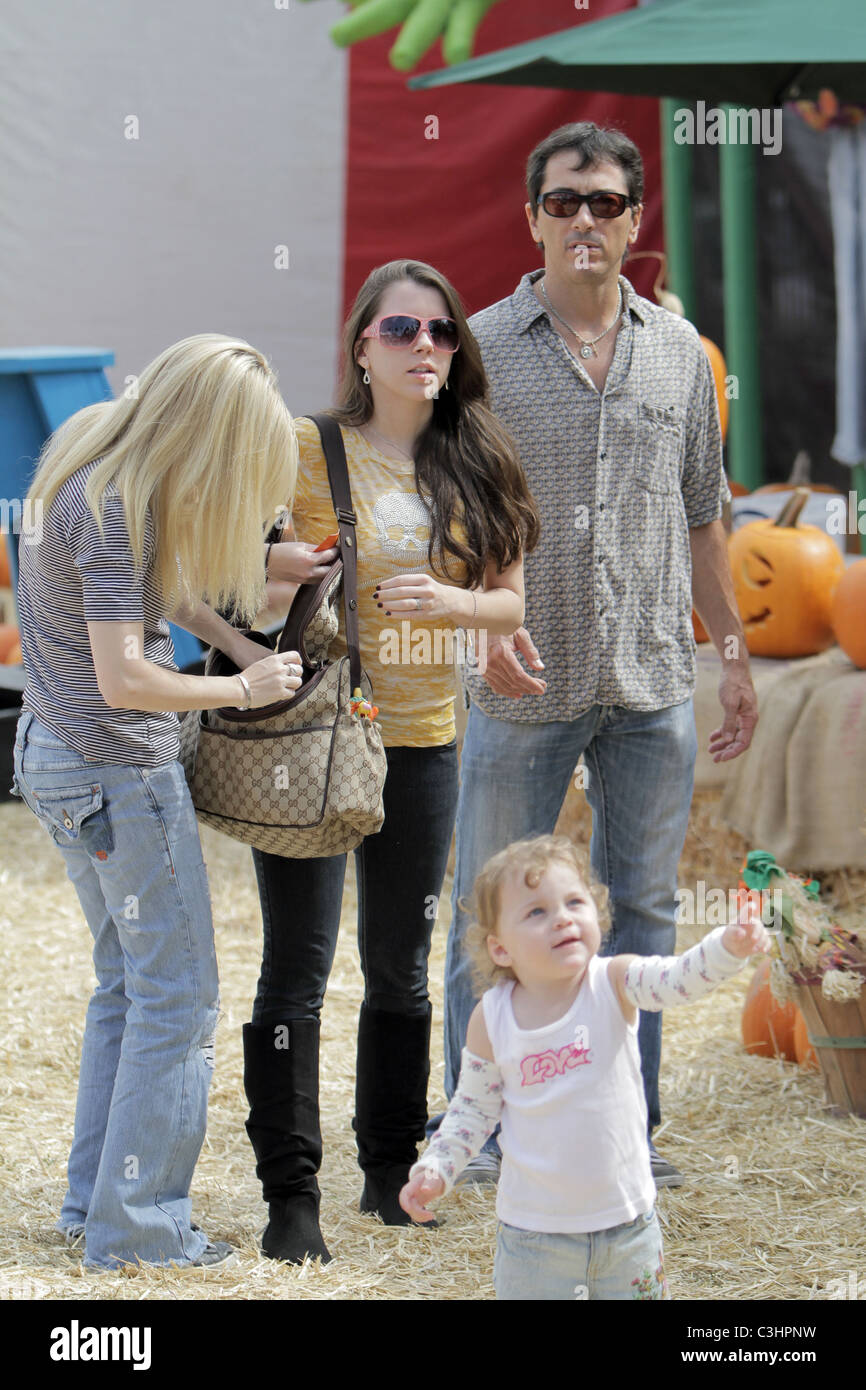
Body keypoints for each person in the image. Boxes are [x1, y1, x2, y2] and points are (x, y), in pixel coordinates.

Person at [441, 122, 759, 1188]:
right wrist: (485, 616)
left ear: (634, 221)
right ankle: (480, 1138)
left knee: (644, 908)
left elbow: (703, 516)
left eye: (606, 203)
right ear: (530, 216)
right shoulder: (477, 348)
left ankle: (627, 1129)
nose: (586, 219)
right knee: (489, 915)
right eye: (565, 201)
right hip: (519, 680)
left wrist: (734, 653)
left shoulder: (679, 350)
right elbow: (452, 509)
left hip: (649, 680)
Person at [244, 258, 539, 1265]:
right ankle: (291, 1197)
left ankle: (385, 1170)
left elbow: (507, 601)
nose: (425, 348)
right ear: (360, 344)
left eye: (442, 334)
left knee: (401, 969)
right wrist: (275, 564)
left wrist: (450, 603)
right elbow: (229, 562)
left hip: (423, 741)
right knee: (296, 969)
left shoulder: (478, 454)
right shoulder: (298, 447)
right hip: (312, 736)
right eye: (402, 331)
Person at [12, 335, 305, 1270]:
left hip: (53, 757)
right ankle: (139, 1230)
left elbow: (163, 595)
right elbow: (126, 676)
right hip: (114, 768)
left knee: (127, 988)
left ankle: (91, 1204)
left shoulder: (93, 454)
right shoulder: (115, 511)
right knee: (178, 997)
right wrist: (238, 691)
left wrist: (245, 642)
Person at [402, 835, 770, 1299]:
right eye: (536, 912)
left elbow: (677, 981)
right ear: (500, 949)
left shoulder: (614, 983)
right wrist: (437, 1166)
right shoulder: (491, 1018)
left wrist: (727, 947)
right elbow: (472, 1111)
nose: (561, 917)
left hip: (627, 1230)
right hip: (532, 1240)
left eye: (574, 901)